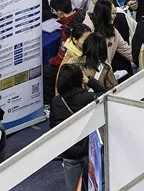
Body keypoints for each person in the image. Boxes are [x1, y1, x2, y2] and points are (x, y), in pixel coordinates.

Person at [51, 63, 104, 191]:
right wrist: (90, 81)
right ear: (79, 79)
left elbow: (52, 126)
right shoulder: (90, 98)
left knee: (73, 188)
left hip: (69, 151)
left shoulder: (56, 102)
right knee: (97, 185)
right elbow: (106, 95)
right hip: (90, 149)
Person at [83, 0, 133, 68]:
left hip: (106, 72)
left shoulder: (113, 31)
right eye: (113, 13)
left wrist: (143, 59)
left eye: (115, 12)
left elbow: (126, 49)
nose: (115, 16)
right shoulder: (86, 31)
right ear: (104, 15)